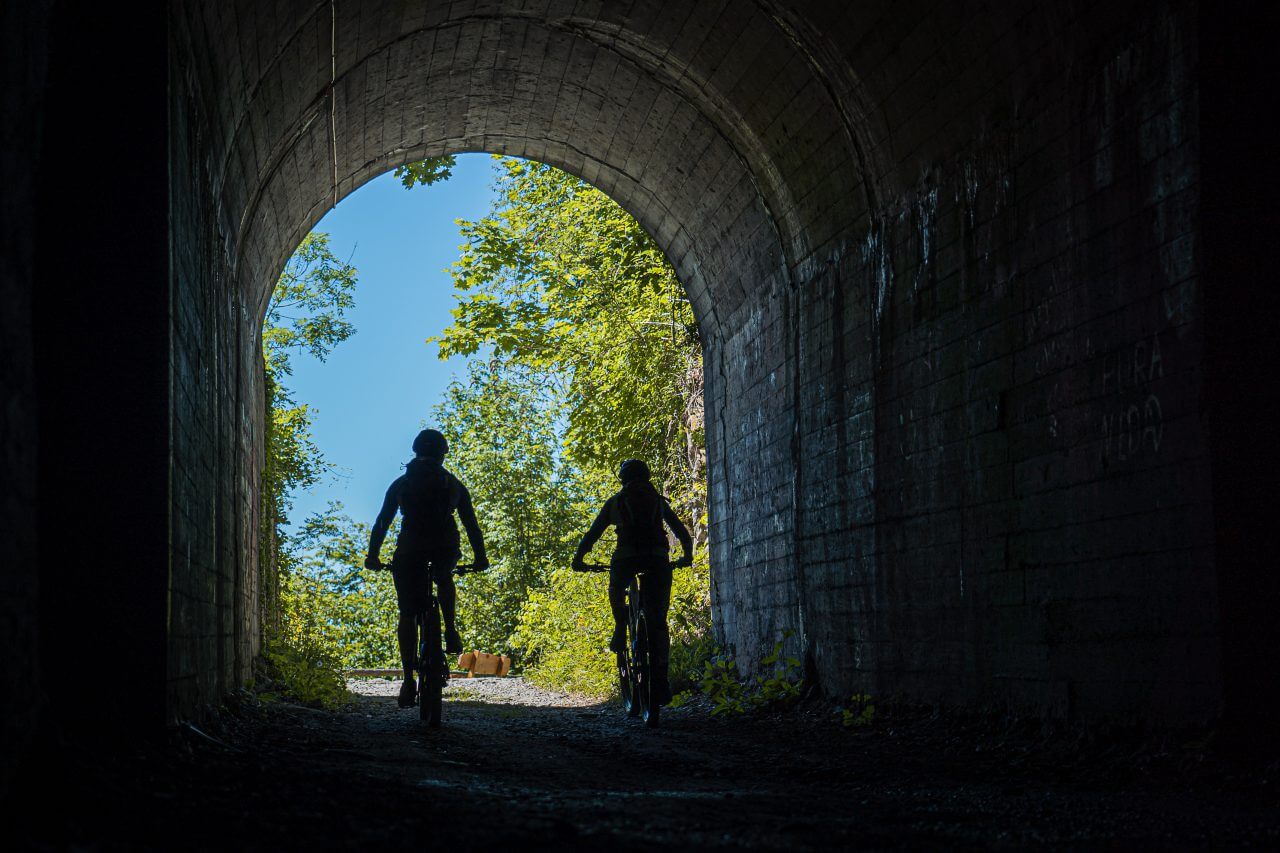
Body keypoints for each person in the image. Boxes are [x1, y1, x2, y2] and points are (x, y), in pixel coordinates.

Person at [365, 428, 488, 708]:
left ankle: (408, 679)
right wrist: (481, 557)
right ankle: (452, 630)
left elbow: (382, 522)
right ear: (443, 453)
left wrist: (373, 556)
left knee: (407, 613)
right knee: (444, 576)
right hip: (445, 546)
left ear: (415, 451)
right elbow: (471, 524)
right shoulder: (452, 483)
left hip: (409, 550)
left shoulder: (402, 483)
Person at [571, 458, 693, 705]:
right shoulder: (658, 502)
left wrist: (579, 559)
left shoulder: (616, 502)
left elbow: (593, 534)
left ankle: (619, 625)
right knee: (658, 620)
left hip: (626, 559)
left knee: (616, 586)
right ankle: (660, 679)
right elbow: (681, 532)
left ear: (622, 479)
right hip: (657, 560)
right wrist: (687, 556)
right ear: (647, 477)